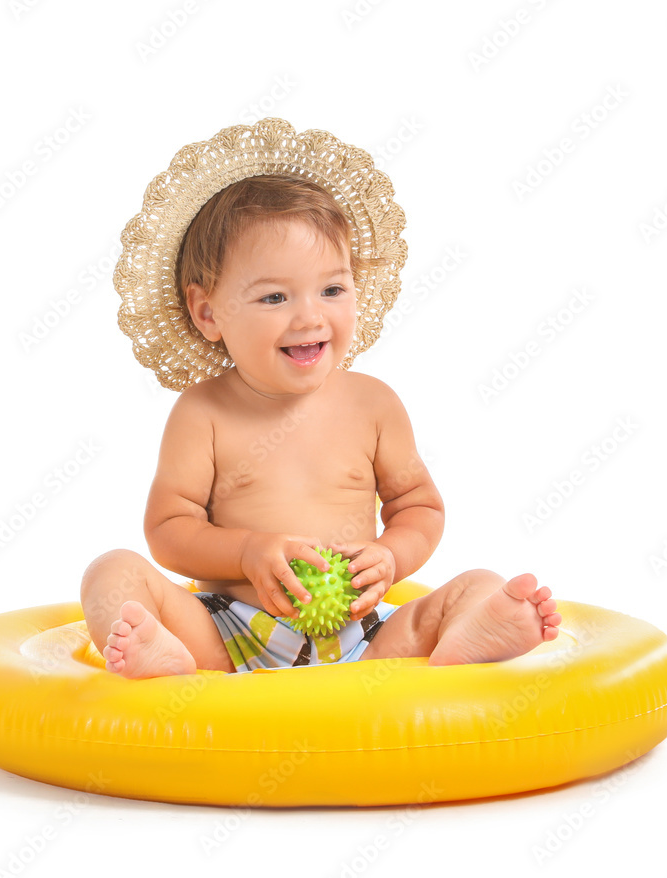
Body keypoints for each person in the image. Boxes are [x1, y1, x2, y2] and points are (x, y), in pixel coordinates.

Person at [80, 119, 560, 678]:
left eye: (332, 289)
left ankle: (466, 634)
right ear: (208, 312)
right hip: (231, 631)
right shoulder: (203, 413)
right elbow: (168, 531)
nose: (310, 316)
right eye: (275, 296)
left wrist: (392, 556)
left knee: (478, 584)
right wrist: (246, 553)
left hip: (363, 635)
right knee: (110, 572)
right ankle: (173, 658)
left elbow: (419, 507)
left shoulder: (373, 405)